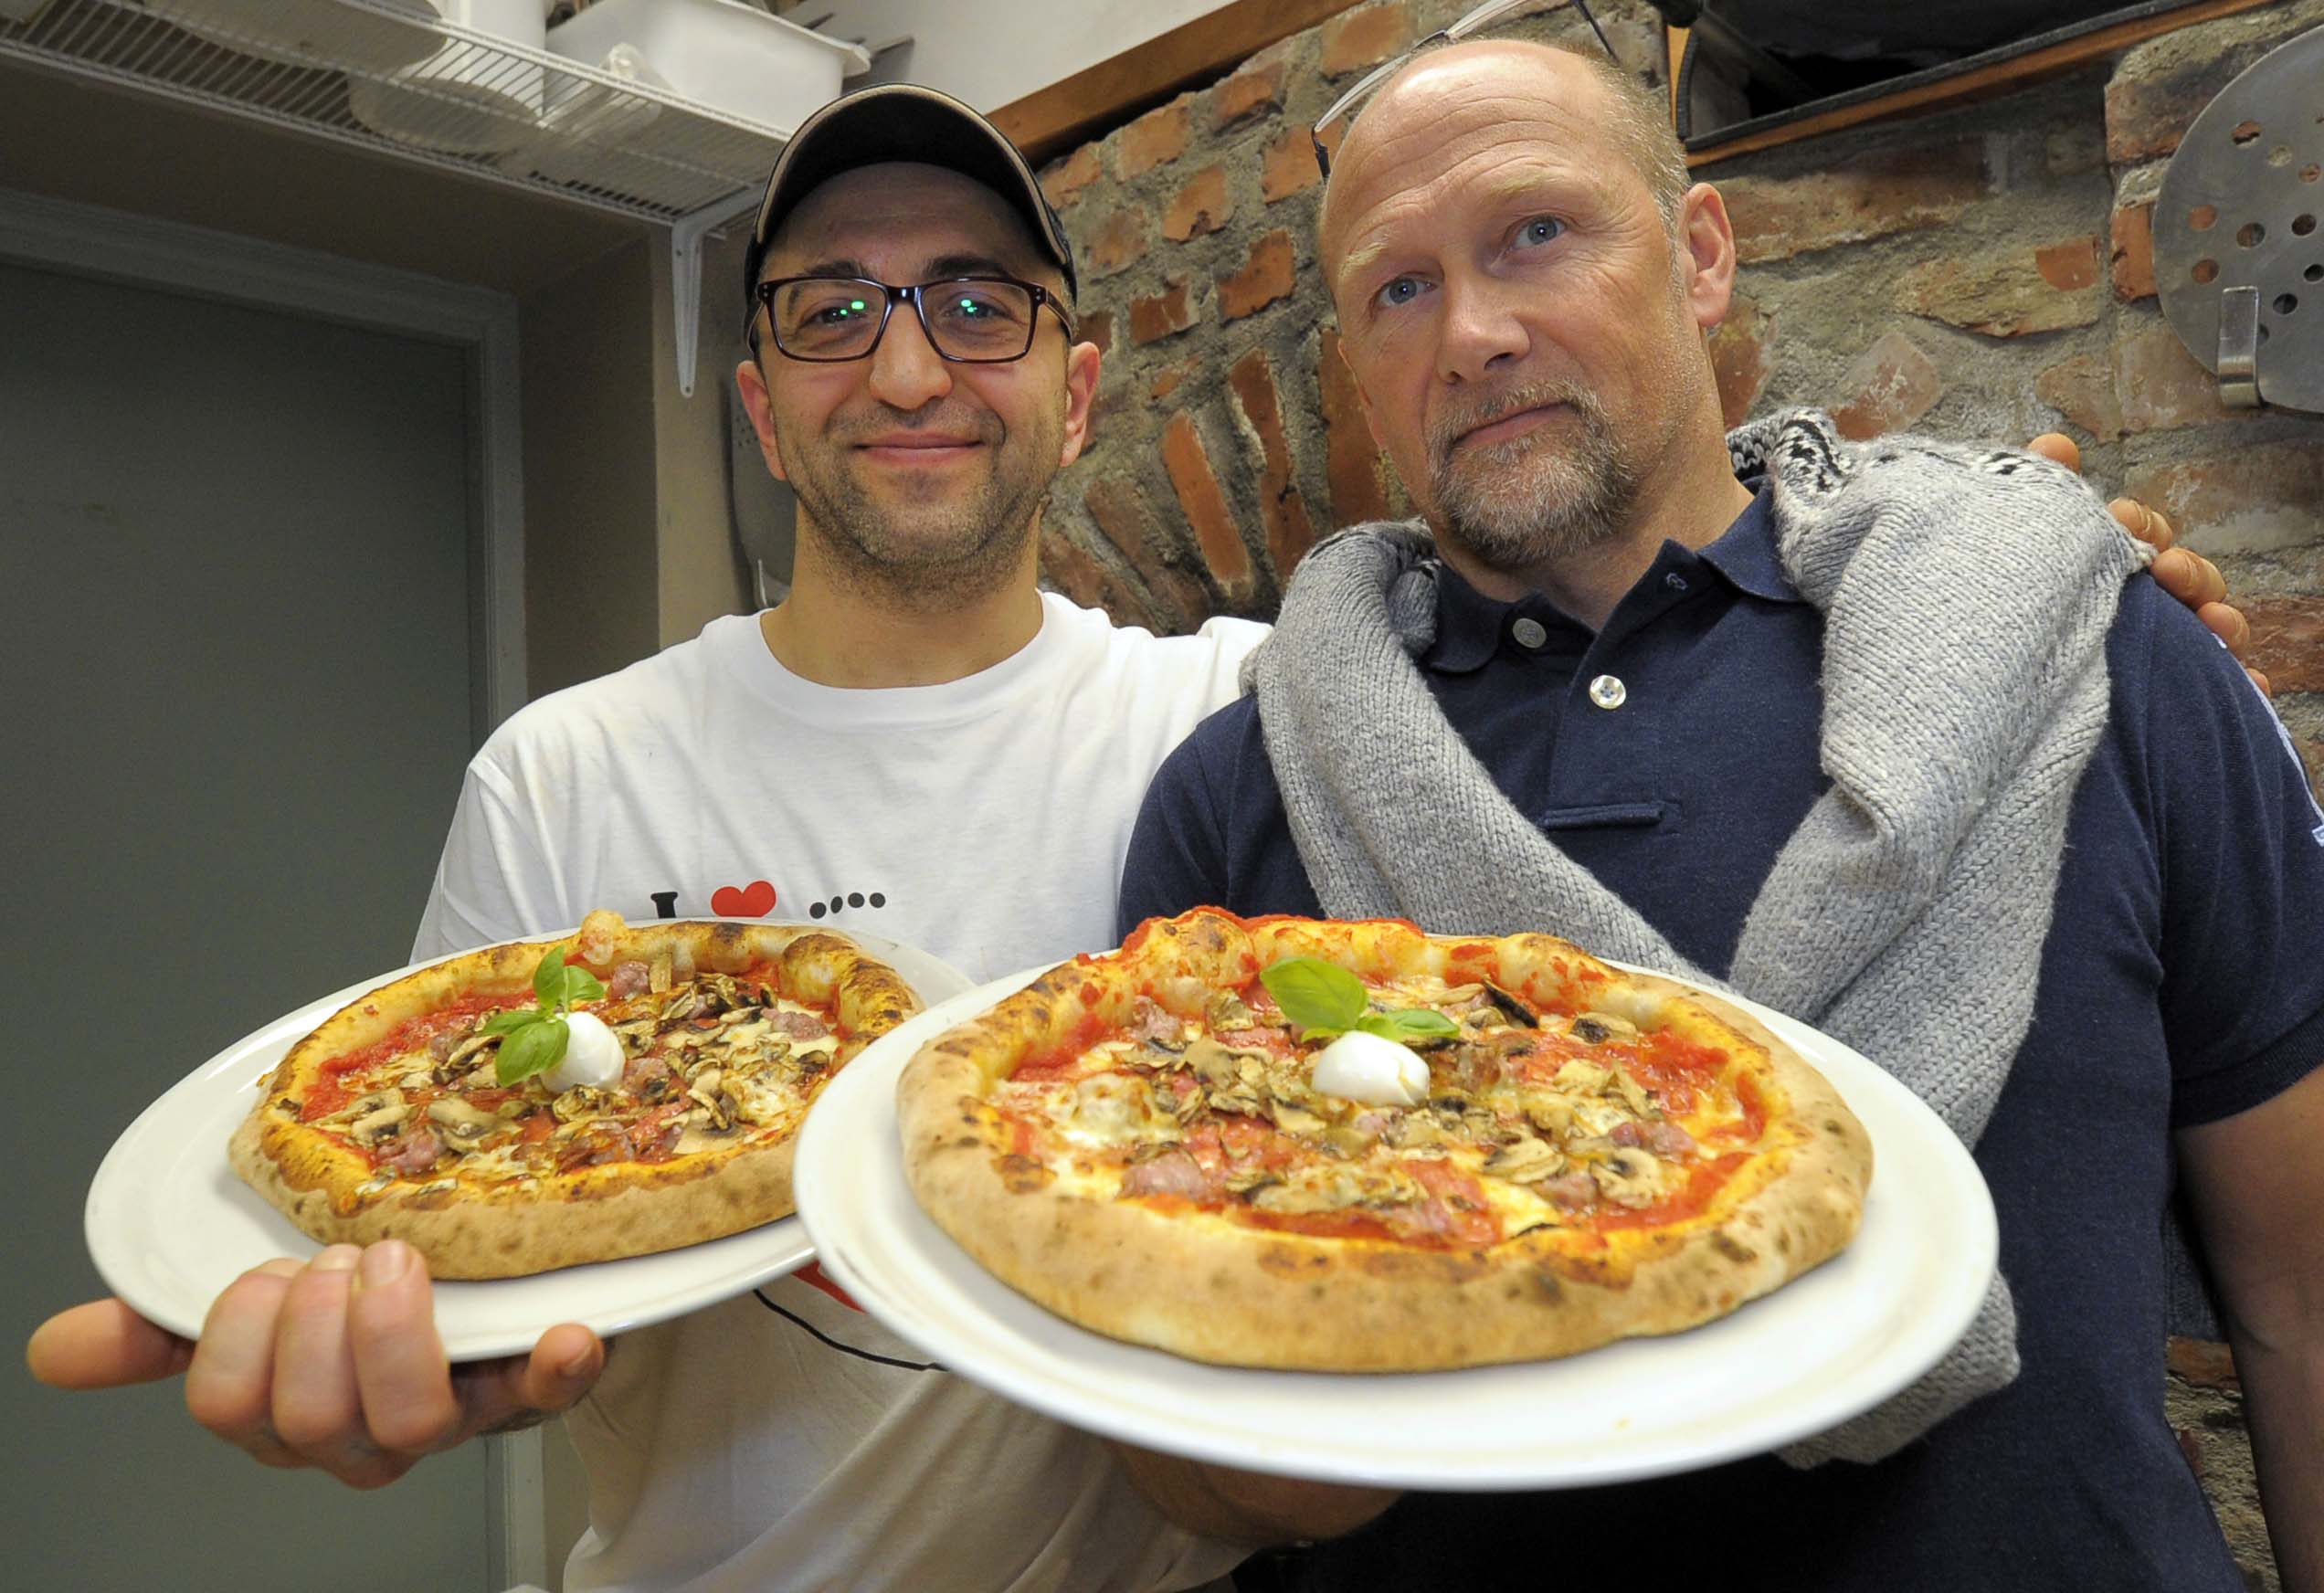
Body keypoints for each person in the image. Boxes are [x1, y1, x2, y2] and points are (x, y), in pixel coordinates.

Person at [24, 76, 2263, 1593]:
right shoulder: (568, 770)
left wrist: (2045, 583)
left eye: (980, 304)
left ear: (1079, 386)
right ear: (762, 400)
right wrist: (406, 1351)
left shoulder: (1261, 711)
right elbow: (456, 1239)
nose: (910, 369)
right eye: (833, 314)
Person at [1116, 37, 2324, 1593]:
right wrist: (1393, 1309)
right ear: (1357, 369)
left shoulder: (2087, 642)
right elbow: (1175, 1461)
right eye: (1397, 291)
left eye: (1536, 233)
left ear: (1698, 258)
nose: (1473, 334)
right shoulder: (1238, 798)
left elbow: (2301, 1293)